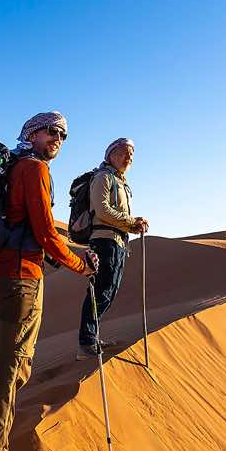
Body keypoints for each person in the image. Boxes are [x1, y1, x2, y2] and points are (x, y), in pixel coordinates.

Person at [0, 111, 99, 451]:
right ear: (32, 132)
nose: (58, 139)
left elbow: (32, 227)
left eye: (63, 135)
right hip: (21, 278)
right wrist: (80, 265)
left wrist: (70, 252)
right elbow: (45, 233)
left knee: (6, 362)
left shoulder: (10, 168)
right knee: (14, 368)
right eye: (52, 131)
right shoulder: (34, 169)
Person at [76, 138, 148, 361]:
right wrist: (131, 222)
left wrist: (133, 225)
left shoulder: (121, 183)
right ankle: (86, 343)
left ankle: (92, 338)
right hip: (103, 241)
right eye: (124, 152)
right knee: (101, 291)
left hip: (118, 242)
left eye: (132, 154)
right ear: (110, 155)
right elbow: (102, 210)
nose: (129, 157)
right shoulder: (103, 177)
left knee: (109, 291)